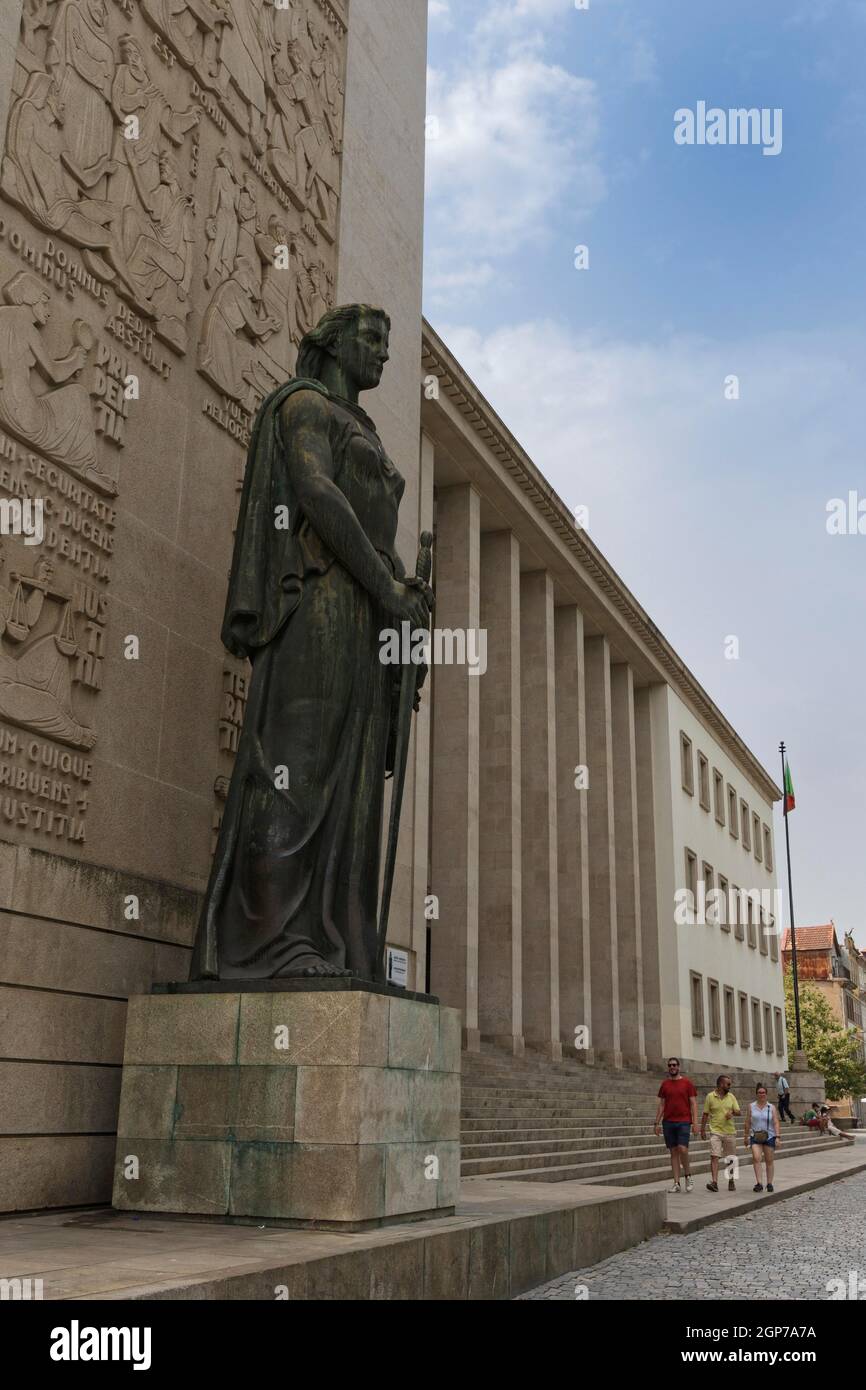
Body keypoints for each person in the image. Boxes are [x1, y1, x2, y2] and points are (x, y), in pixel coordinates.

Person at [654, 1057, 698, 1193]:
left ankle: (688, 1176)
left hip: (684, 1121)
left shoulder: (687, 1083)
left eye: (674, 1065)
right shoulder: (665, 1084)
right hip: (668, 1121)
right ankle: (676, 1183)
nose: (672, 1067)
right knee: (673, 1152)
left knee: (683, 1149)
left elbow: (693, 1103)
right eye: (670, 1065)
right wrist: (656, 1122)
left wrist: (695, 1122)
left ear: (679, 1067)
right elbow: (662, 1105)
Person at [701, 1075, 741, 1192]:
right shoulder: (710, 1097)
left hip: (729, 1132)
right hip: (715, 1132)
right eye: (728, 1084)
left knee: (731, 1158)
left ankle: (731, 1180)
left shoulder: (731, 1097)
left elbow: (738, 1111)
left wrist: (732, 1112)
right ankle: (714, 1182)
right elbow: (705, 1114)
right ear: (721, 1084)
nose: (730, 1086)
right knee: (714, 1156)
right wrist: (702, 1129)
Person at [746, 1083, 781, 1193]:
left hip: (769, 1136)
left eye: (763, 1092)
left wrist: (777, 1136)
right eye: (759, 1092)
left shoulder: (771, 1107)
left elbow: (775, 1122)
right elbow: (747, 1121)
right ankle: (759, 1183)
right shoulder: (751, 1106)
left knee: (769, 1160)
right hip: (755, 1135)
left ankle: (769, 1183)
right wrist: (746, 1135)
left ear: (766, 1094)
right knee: (756, 1158)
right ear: (756, 1094)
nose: (761, 1094)